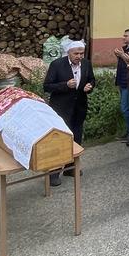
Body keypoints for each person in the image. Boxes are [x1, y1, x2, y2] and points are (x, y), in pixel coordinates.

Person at [42, 40, 94, 187]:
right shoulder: (57, 65)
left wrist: (89, 87)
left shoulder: (86, 64)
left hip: (79, 108)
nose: (79, 56)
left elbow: (91, 80)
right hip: (61, 109)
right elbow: (47, 86)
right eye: (76, 53)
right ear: (68, 53)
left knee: (76, 137)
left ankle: (71, 168)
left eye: (81, 53)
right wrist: (65, 85)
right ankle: (54, 173)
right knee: (60, 140)